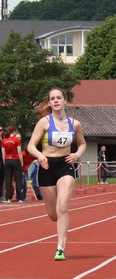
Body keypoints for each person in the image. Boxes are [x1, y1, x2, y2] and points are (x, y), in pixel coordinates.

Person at [26, 88, 87, 260]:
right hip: (46, 168)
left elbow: (82, 144)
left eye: (59, 97)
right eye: (52, 98)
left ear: (65, 101)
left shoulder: (75, 124)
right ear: (49, 102)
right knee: (53, 214)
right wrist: (40, 156)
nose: (56, 101)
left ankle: (60, 248)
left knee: (62, 207)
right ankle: (59, 234)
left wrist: (76, 154)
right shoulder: (44, 122)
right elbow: (31, 145)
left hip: (65, 166)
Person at [2, 125, 25, 202]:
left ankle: (8, 198)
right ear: (14, 131)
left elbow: (3, 153)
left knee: (8, 179)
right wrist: (21, 162)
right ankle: (20, 198)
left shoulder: (4, 141)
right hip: (15, 160)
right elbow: (19, 152)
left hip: (7, 160)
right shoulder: (17, 140)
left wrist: (5, 161)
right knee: (18, 179)